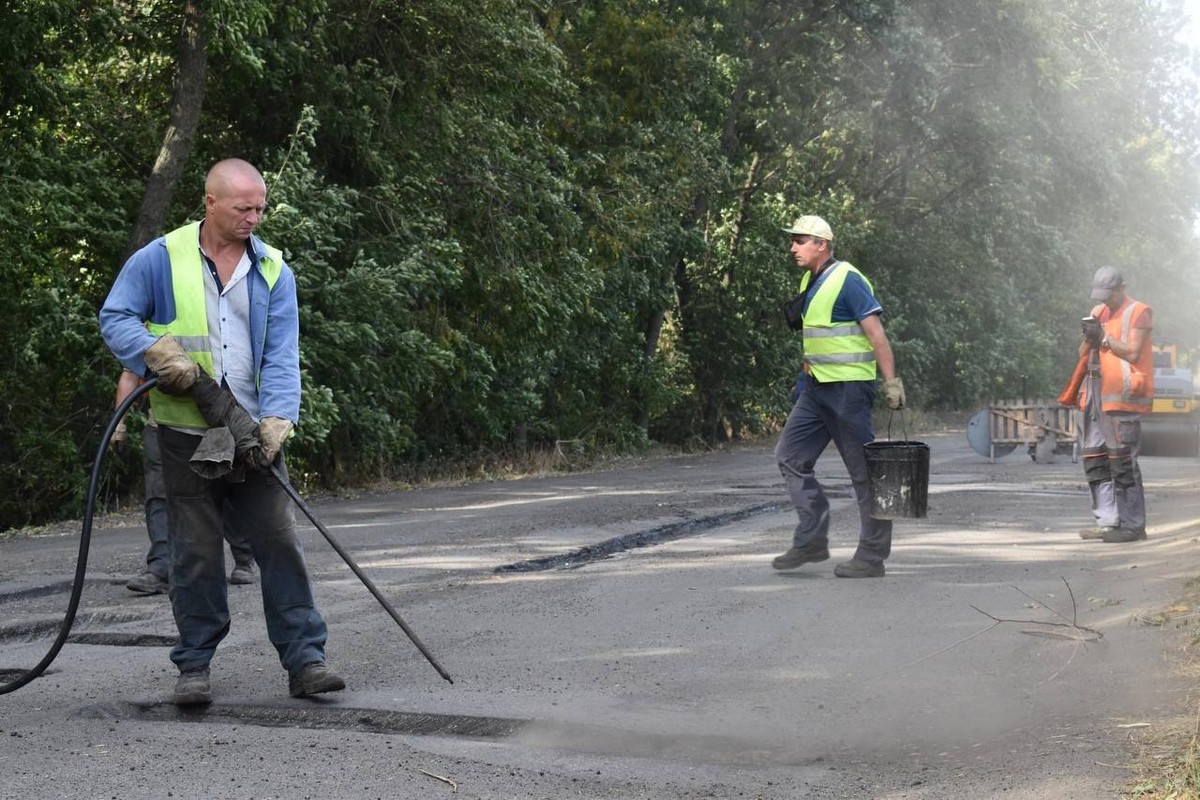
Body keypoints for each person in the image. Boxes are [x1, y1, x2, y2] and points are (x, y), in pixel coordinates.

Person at [99, 158, 344, 705]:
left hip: (250, 433)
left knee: (279, 541)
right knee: (197, 552)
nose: (254, 217)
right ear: (210, 202)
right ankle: (195, 667)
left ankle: (307, 661)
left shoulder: (275, 270)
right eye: (243, 208)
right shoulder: (160, 258)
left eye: (260, 207)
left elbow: (282, 355)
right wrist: (156, 351)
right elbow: (116, 316)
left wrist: (279, 418)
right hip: (186, 434)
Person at [771, 215, 905, 578]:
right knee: (790, 456)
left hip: (848, 391)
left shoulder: (849, 280)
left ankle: (872, 557)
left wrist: (892, 383)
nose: (793, 247)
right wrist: (803, 380)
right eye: (793, 241)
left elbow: (876, 334)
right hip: (815, 391)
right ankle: (812, 538)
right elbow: (816, 337)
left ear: (821, 244)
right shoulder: (809, 280)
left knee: (864, 474)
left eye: (800, 241)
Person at [111, 369, 258, 595]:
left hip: (212, 421)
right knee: (160, 494)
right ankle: (161, 566)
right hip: (163, 424)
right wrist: (119, 425)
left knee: (223, 489)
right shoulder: (146, 334)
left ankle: (245, 556)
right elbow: (130, 374)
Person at [1074, 266, 1153, 543]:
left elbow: (1133, 352)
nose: (1105, 300)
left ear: (1122, 287)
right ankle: (1108, 522)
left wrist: (1105, 338)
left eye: (1109, 294)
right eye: (1101, 295)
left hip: (1121, 396)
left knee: (1122, 463)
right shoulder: (1097, 313)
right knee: (1095, 460)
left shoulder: (1139, 312)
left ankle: (1133, 525)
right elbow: (1082, 354)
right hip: (1094, 393)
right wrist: (1088, 335)